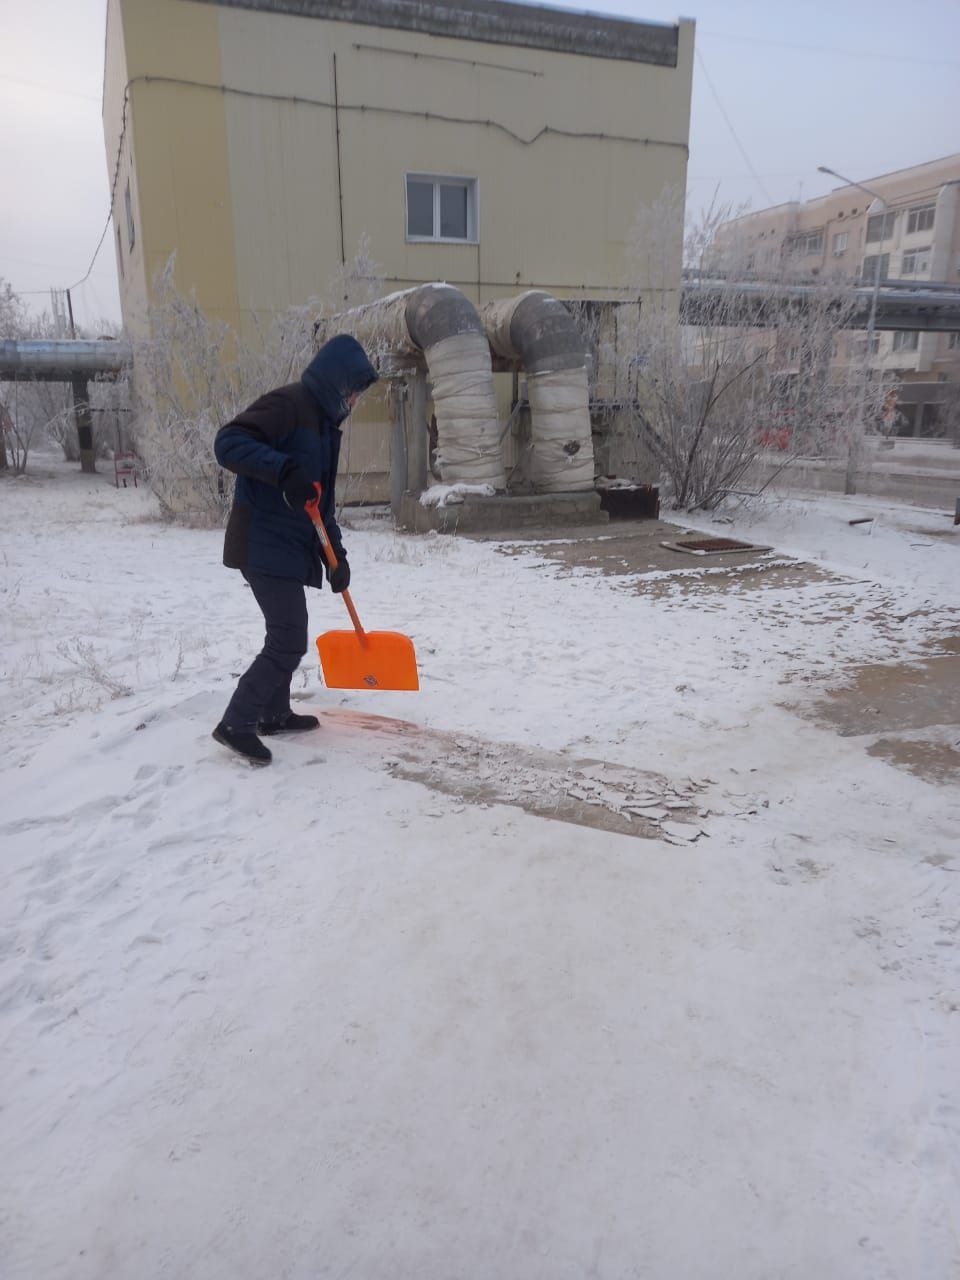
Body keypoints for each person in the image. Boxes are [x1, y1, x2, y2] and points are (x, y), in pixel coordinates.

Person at [212, 335, 378, 765]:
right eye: (353, 391)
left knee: (286, 633)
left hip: (285, 546)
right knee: (288, 637)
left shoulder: (324, 428)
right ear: (336, 381)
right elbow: (228, 442)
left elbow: (320, 505)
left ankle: (274, 713)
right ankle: (237, 722)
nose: (354, 401)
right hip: (261, 541)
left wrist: (336, 558)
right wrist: (282, 469)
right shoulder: (289, 404)